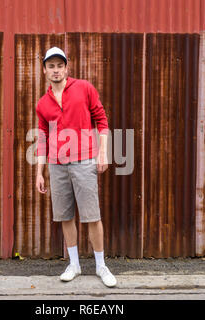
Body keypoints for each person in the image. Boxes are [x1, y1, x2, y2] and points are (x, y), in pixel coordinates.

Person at [35, 47, 117, 287]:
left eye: (60, 65)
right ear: (45, 70)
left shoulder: (84, 88)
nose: (56, 70)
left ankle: (101, 266)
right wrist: (39, 172)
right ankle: (74, 264)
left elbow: (101, 120)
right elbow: (42, 137)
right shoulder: (43, 104)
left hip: (84, 161)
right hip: (57, 165)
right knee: (65, 216)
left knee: (92, 215)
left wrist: (103, 153)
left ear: (66, 68)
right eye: (51, 66)